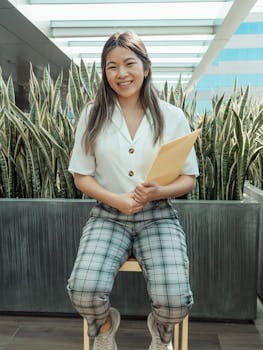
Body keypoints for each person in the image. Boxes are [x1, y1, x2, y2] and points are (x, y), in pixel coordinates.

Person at [67, 31, 199, 350]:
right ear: (104, 72)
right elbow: (81, 176)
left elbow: (189, 178)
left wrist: (156, 192)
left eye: (129, 63)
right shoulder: (91, 114)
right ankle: (105, 326)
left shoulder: (172, 116)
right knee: (83, 291)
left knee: (175, 301)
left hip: (157, 216)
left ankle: (162, 332)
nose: (121, 74)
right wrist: (118, 200)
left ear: (146, 67)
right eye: (111, 66)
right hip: (108, 215)